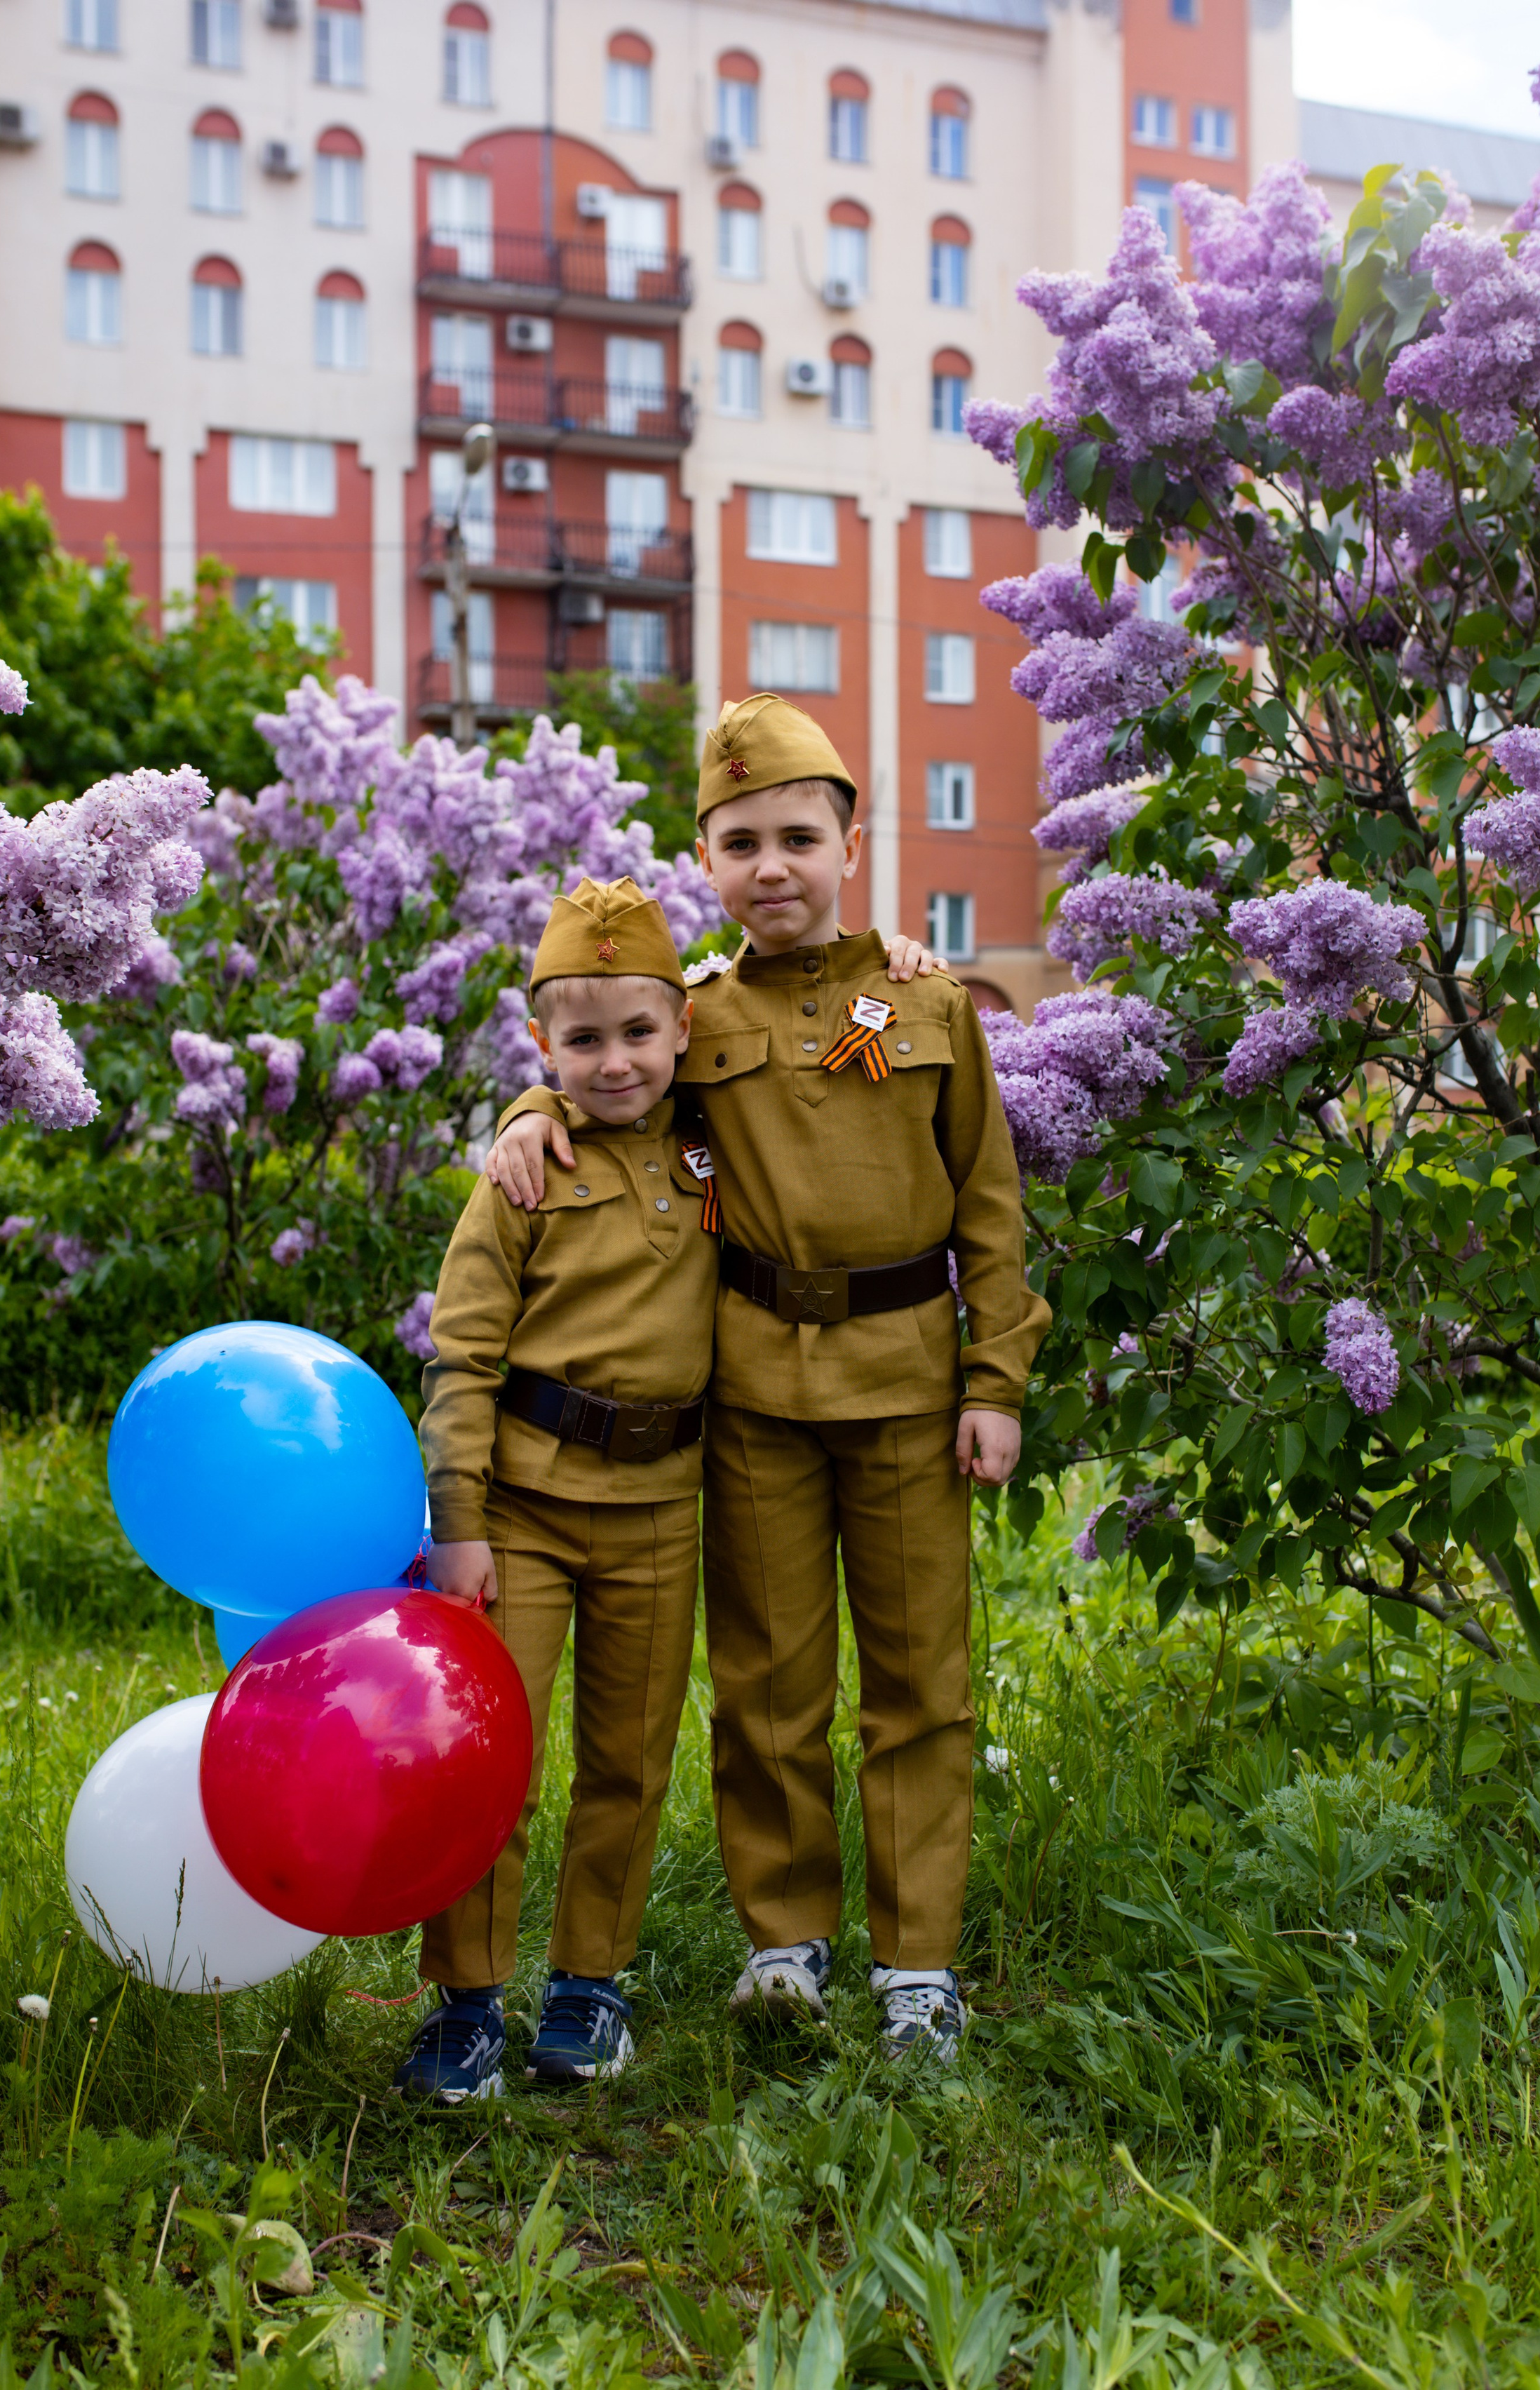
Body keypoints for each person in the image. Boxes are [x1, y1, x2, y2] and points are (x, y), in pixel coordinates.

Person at [485, 694, 1051, 2063]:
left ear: (851, 841)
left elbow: (988, 1204)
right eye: (741, 842)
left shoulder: (926, 1001)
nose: (772, 865)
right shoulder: (694, 1018)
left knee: (921, 1684)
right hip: (750, 1400)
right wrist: (523, 1111)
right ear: (707, 861)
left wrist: (994, 1381)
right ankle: (783, 1941)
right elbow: (597, 1079)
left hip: (912, 1388)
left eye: (798, 835)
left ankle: (916, 1967)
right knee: (766, 1681)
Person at [393, 875, 720, 2104]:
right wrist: (462, 1525)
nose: (616, 1060)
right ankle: (467, 2002)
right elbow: (464, 1355)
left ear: (682, 1026)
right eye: (580, 1042)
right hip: (523, 1512)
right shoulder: (522, 1171)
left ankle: (591, 1986)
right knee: (490, 1760)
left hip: (657, 1509)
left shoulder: (711, 1146)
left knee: (628, 1760)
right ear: (543, 1045)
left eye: (640, 1032)